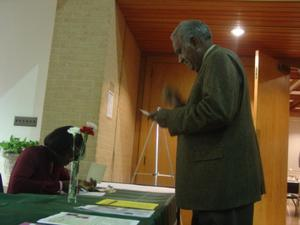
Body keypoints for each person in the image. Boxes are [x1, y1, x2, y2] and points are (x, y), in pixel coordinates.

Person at [149, 20, 265, 225]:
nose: (179, 59)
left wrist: (170, 117)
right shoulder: (215, 61)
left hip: (222, 187)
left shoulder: (218, 59)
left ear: (194, 41)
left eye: (180, 51)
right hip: (218, 189)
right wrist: (180, 105)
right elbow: (214, 112)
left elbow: (217, 112)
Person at [7, 126, 83, 194]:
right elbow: (16, 185)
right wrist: (60, 186)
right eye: (70, 154)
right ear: (61, 148)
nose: (72, 159)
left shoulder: (56, 162)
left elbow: (68, 182)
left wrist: (81, 184)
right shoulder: (32, 154)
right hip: (18, 204)